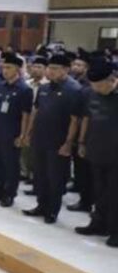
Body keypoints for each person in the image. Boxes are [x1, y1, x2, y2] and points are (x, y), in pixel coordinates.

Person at [21, 53, 83, 224]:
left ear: (66, 70)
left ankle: (52, 210)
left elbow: (75, 120)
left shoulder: (74, 90)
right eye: (50, 68)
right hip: (40, 137)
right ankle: (41, 205)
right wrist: (28, 133)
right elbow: (36, 111)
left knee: (55, 178)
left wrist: (69, 143)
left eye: (56, 69)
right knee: (40, 175)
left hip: (58, 141)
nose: (51, 72)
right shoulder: (45, 88)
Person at [75, 58, 118, 248]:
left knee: (115, 194)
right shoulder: (90, 93)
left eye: (100, 86)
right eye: (94, 86)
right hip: (96, 149)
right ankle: (98, 224)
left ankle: (115, 231)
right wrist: (82, 141)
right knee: (98, 191)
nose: (97, 90)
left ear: (112, 80)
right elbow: (86, 118)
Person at [0, 53, 33, 208]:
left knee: (10, 166)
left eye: (9, 67)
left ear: (17, 69)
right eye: (3, 67)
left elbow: (26, 114)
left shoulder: (24, 89)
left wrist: (23, 135)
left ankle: (9, 194)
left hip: (12, 133)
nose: (5, 70)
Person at [69, 49, 93, 213]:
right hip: (77, 131)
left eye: (80, 65)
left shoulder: (88, 87)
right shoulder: (77, 83)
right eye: (75, 64)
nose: (76, 67)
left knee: (87, 170)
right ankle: (79, 187)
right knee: (79, 165)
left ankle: (87, 200)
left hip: (91, 136)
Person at [22, 55, 49, 186]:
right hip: (26, 116)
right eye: (34, 66)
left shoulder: (47, 85)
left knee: (35, 150)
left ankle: (35, 176)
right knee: (24, 146)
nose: (36, 69)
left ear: (45, 69)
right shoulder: (27, 83)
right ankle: (24, 172)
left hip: (40, 120)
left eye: (40, 67)